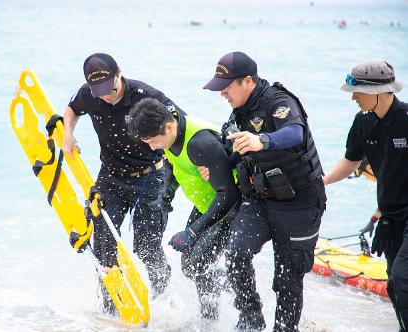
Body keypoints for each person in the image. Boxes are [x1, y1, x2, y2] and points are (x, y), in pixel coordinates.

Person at [203, 51, 326, 331]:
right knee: (235, 255)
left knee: (287, 277)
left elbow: (296, 132)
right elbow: (234, 153)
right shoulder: (240, 112)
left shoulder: (279, 102)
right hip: (261, 201)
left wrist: (263, 140)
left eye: (226, 87)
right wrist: (216, 167)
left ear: (247, 81)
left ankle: (285, 328)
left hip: (300, 203)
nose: (222, 93)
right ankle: (251, 318)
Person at [62, 53, 184, 312]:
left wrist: (193, 160)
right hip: (110, 177)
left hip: (150, 177)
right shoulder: (89, 93)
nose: (106, 95)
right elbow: (71, 109)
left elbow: (177, 121)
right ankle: (111, 310)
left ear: (120, 73)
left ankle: (164, 302)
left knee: (146, 248)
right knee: (105, 246)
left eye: (110, 87)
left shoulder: (145, 95)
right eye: (99, 91)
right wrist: (68, 133)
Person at [127, 97, 240, 321]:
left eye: (152, 141)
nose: (151, 147)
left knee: (198, 264)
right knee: (190, 267)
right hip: (206, 204)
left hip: (232, 207)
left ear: (169, 126)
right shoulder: (170, 136)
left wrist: (192, 232)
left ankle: (213, 319)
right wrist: (167, 193)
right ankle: (228, 289)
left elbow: (230, 194)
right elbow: (175, 164)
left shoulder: (200, 143)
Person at [322, 59, 408, 331]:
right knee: (394, 286)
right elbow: (350, 161)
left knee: (403, 278)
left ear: (380, 91)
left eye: (357, 92)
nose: (354, 98)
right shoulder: (362, 123)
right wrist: (320, 183)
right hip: (391, 217)